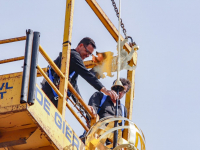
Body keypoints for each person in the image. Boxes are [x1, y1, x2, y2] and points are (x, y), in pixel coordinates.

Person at [41, 37, 118, 107]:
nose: (87, 55)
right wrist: (104, 90)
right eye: (87, 51)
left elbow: (73, 86)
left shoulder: (74, 64)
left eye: (90, 54)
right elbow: (86, 74)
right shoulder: (73, 55)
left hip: (56, 95)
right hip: (50, 91)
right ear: (80, 45)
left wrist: (83, 105)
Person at [80, 78, 131, 144]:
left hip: (111, 146)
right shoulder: (99, 97)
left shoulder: (123, 110)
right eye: (117, 89)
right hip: (94, 139)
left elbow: (122, 131)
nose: (119, 92)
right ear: (112, 88)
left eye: (122, 90)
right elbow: (91, 114)